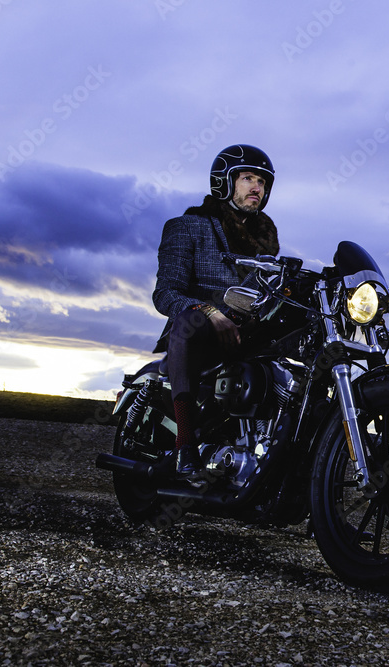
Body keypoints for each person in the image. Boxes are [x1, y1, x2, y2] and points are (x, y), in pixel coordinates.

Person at [152, 144, 280, 481]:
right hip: (198, 330)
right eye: (248, 178)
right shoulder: (189, 226)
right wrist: (208, 311)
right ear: (224, 182)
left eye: (263, 182)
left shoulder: (266, 244)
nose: (257, 187)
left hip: (247, 330)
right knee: (189, 321)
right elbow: (165, 292)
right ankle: (185, 445)